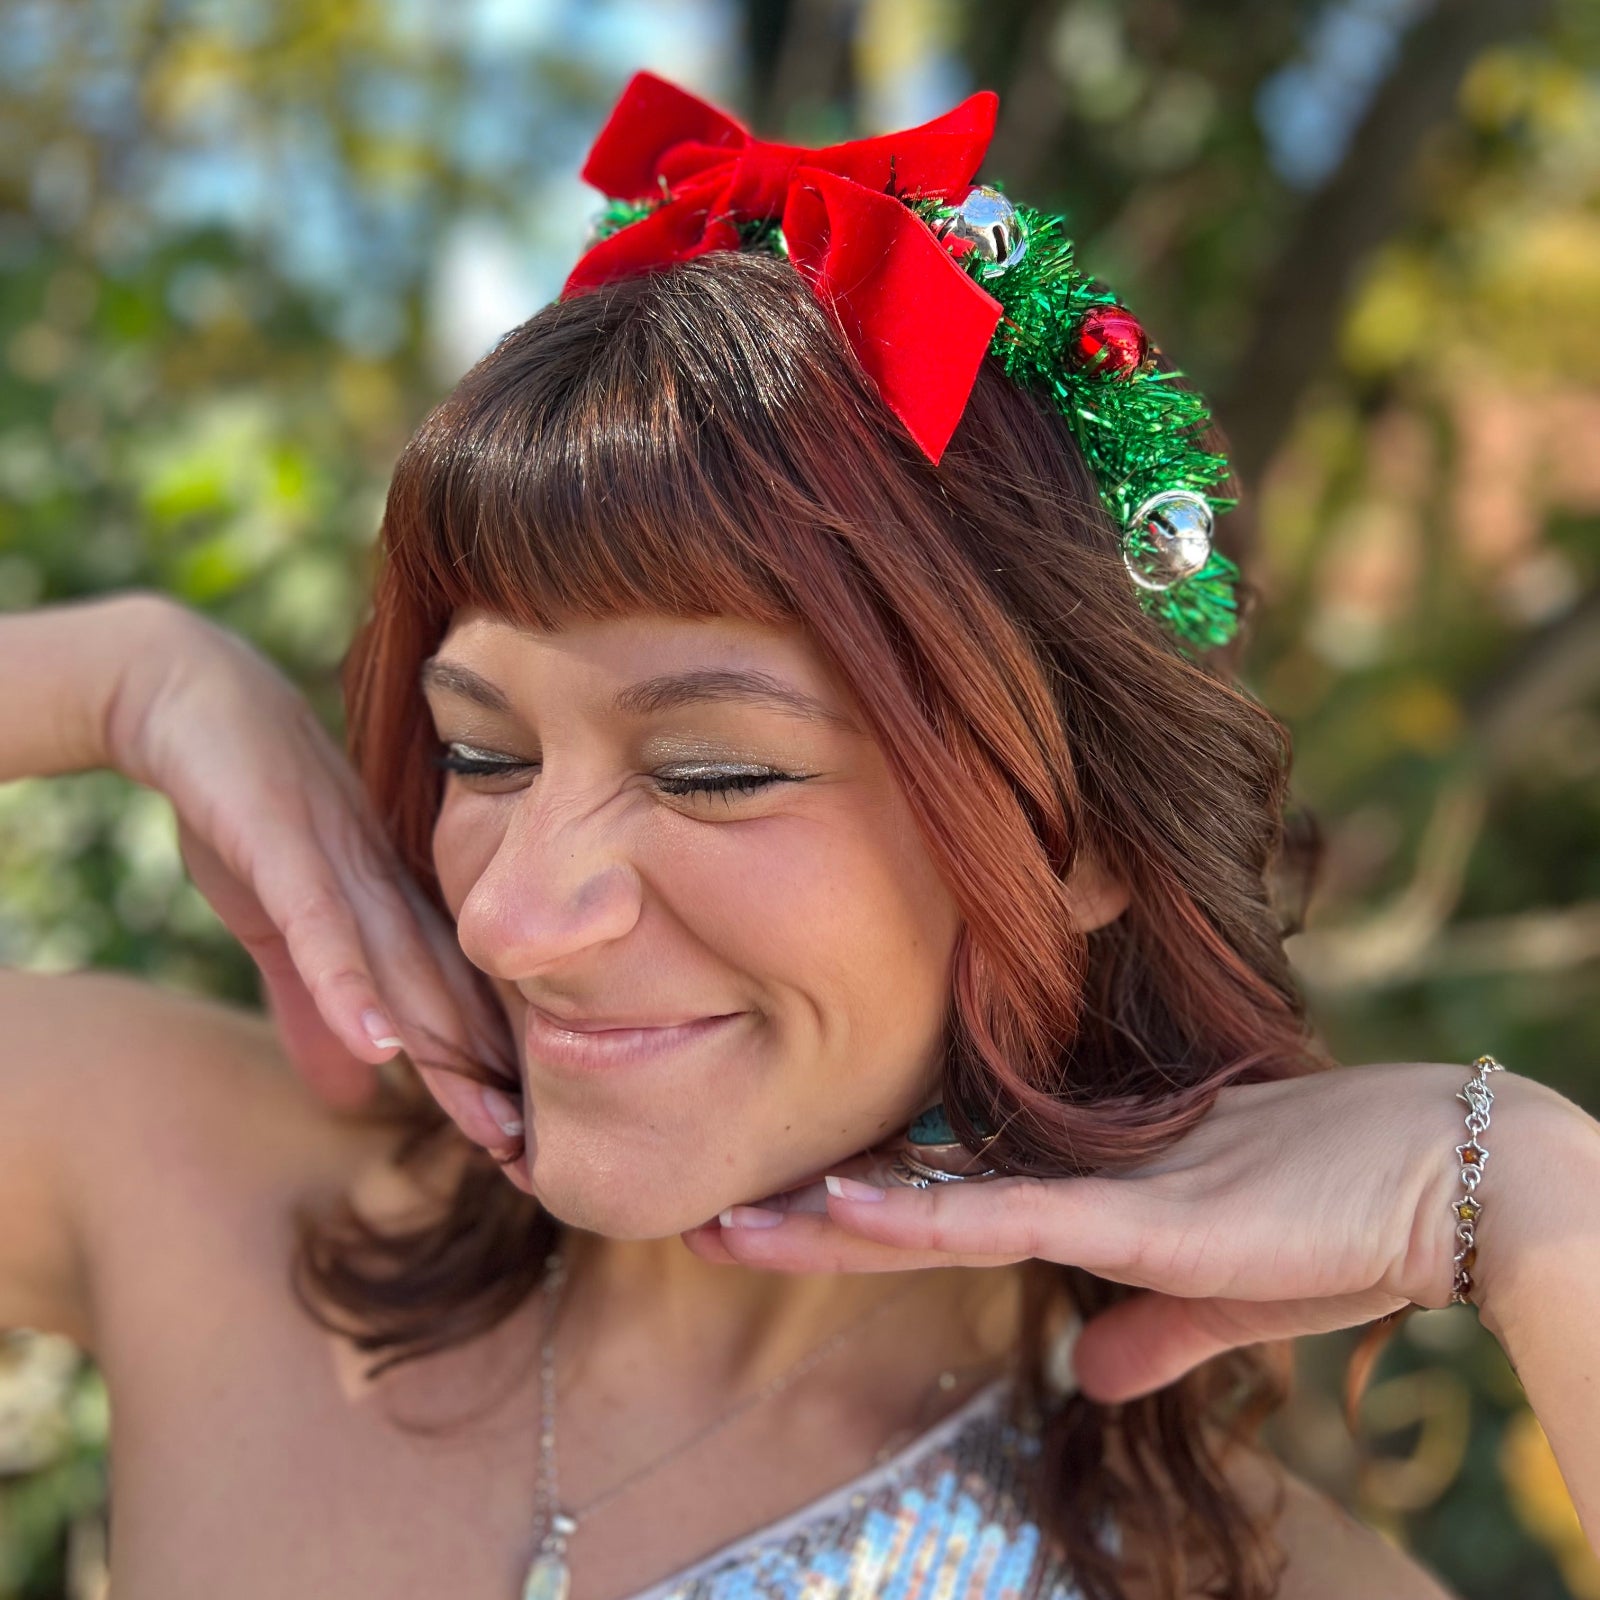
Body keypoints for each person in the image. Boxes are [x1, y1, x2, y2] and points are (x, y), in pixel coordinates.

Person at [3, 70, 1596, 1600]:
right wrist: (116, 681)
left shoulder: (1231, 1579)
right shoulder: (210, 1193)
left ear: (1086, 835)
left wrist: (1530, 1199)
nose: (513, 919)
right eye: (483, 753)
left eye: (712, 774)